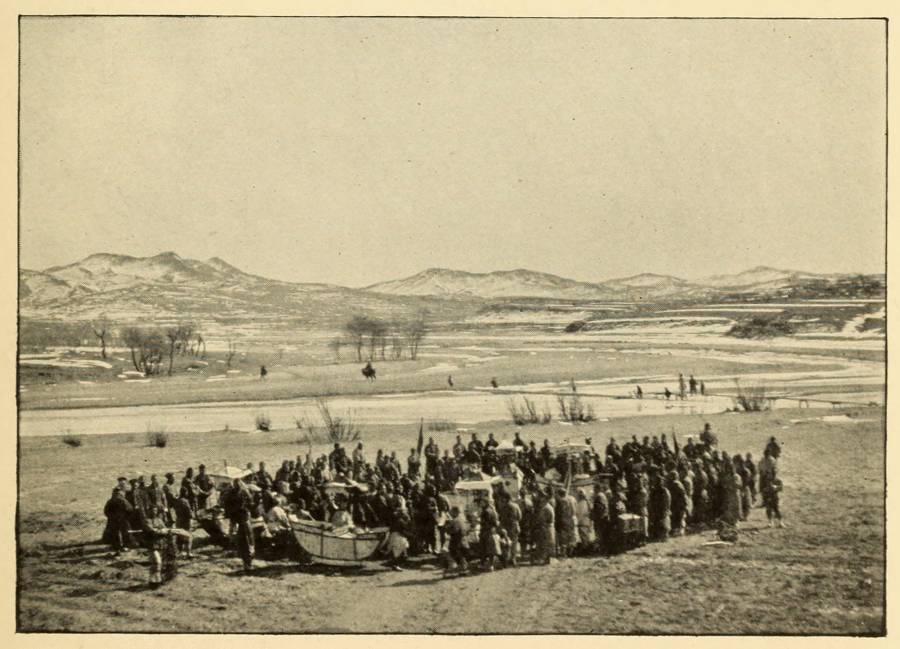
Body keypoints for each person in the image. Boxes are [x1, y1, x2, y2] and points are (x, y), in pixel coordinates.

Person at [224, 478, 255, 572]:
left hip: (241, 518)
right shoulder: (240, 492)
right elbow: (250, 502)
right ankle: (247, 563)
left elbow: (227, 506)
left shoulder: (235, 493)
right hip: (241, 519)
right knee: (246, 540)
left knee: (245, 540)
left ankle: (247, 562)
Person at [103, 487, 133, 554]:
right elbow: (130, 509)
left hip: (120, 520)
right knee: (117, 534)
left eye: (118, 492)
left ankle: (121, 547)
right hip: (117, 520)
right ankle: (119, 547)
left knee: (123, 533)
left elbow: (130, 509)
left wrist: (125, 517)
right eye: (116, 492)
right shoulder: (116, 501)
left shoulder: (117, 501)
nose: (117, 494)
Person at [497, 492, 522, 567]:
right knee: (514, 544)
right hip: (514, 526)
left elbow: (501, 518)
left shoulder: (503, 507)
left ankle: (506, 561)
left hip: (506, 527)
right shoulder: (516, 506)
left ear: (505, 499)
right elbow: (520, 517)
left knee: (506, 544)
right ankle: (513, 559)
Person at [445, 506, 469, 577]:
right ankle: (464, 570)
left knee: (453, 555)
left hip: (457, 541)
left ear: (455, 512)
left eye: (452, 512)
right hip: (463, 540)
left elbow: (454, 531)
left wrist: (447, 529)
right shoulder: (462, 520)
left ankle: (453, 571)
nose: (451, 513)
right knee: (461, 556)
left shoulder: (455, 521)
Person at [533, 491, 556, 565]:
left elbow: (547, 519)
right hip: (545, 527)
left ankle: (546, 559)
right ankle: (545, 559)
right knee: (545, 543)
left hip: (546, 527)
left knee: (546, 543)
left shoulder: (546, 508)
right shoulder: (545, 507)